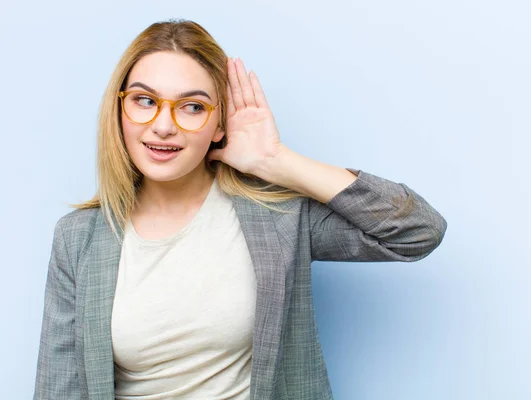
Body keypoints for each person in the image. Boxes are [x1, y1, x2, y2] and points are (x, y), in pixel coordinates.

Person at [34, 18, 447, 400]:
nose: (163, 125)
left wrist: (277, 161)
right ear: (119, 110)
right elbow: (59, 388)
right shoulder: (79, 237)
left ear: (219, 125)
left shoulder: (274, 218)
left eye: (192, 107)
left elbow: (416, 230)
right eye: (145, 101)